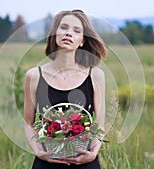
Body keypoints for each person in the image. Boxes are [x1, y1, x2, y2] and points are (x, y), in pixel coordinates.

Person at [24, 9, 107, 169]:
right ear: (55, 34)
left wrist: (93, 153)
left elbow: (99, 124)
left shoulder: (95, 75)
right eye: (64, 28)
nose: (69, 33)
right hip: (47, 162)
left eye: (76, 31)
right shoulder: (34, 76)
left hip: (85, 162)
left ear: (82, 40)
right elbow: (28, 123)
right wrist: (39, 152)